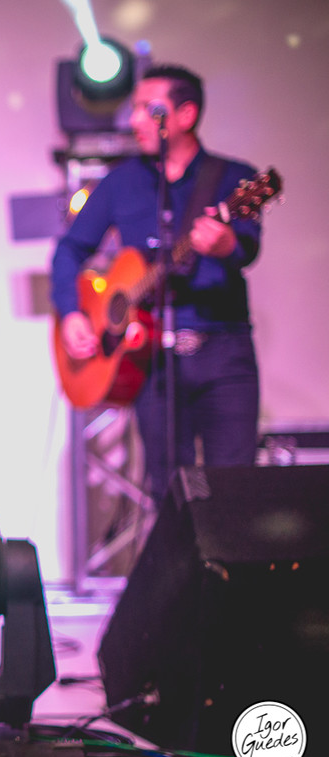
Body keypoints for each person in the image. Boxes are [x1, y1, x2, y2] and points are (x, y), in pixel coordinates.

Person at [51, 64, 264, 510]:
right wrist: (72, 312)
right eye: (134, 110)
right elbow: (70, 249)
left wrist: (225, 244)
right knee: (170, 495)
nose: (133, 121)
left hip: (224, 353)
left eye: (149, 110)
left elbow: (246, 249)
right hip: (153, 360)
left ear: (186, 115)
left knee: (235, 489)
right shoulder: (121, 182)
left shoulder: (234, 179)